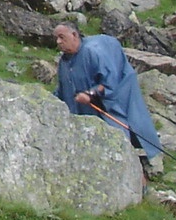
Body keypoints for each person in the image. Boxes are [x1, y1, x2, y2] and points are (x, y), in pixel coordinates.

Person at [54, 22, 162, 171]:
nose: (58, 42)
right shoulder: (64, 63)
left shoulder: (93, 52)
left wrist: (90, 94)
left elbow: (109, 82)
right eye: (56, 38)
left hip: (108, 106)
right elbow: (62, 89)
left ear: (74, 35)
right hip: (82, 114)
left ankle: (136, 170)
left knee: (119, 137)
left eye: (61, 37)